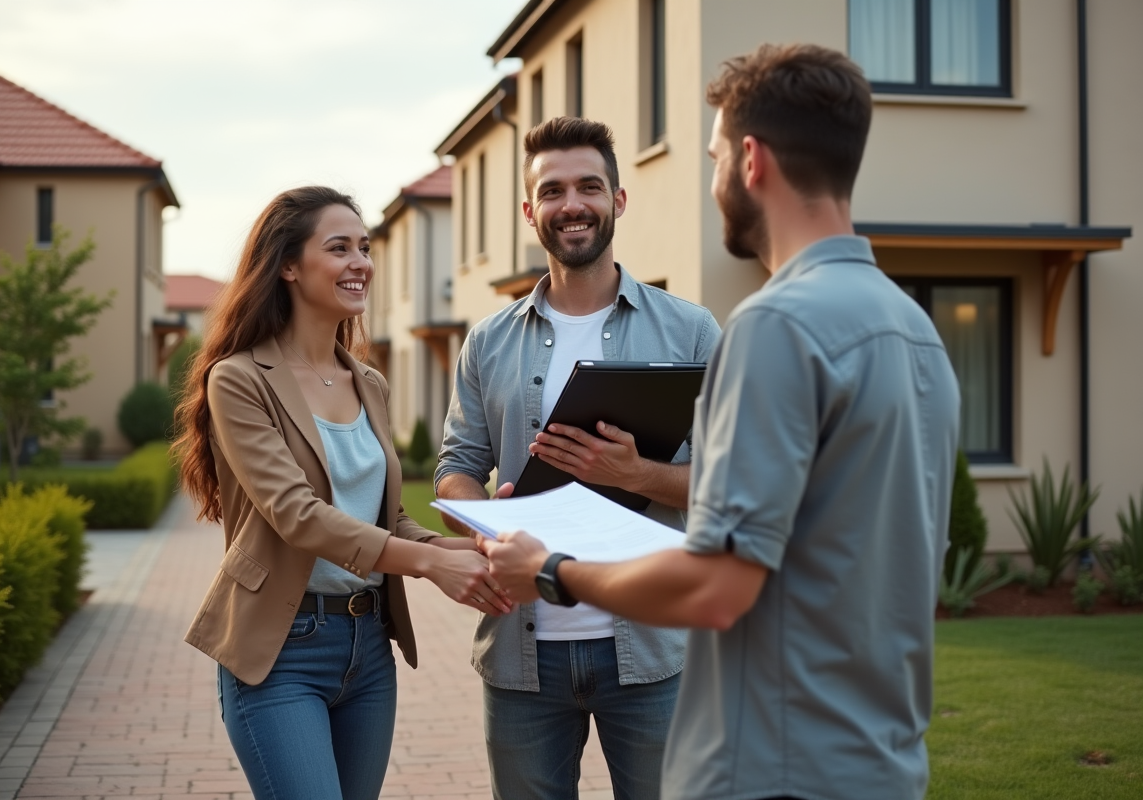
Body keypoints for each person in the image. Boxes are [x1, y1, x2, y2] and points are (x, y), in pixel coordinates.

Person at [484, 44, 962, 800]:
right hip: (882, 765)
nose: (712, 184)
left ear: (750, 160)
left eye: (711, 159)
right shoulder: (915, 329)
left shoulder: (775, 327)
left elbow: (717, 586)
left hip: (772, 763)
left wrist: (547, 570)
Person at [174, 186, 511, 800]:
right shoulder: (240, 379)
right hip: (279, 651)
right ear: (288, 266)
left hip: (367, 649)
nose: (361, 262)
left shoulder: (369, 382)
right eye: (339, 248)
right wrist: (431, 564)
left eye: (365, 247)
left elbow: (387, 517)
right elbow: (299, 517)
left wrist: (471, 543)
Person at [435, 116, 721, 800]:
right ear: (530, 210)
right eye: (553, 190)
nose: (573, 204)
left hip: (654, 651)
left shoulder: (690, 330)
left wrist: (637, 475)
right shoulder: (487, 343)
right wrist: (485, 521)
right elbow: (455, 468)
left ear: (617, 200)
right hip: (522, 654)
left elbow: (734, 484)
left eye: (589, 186)